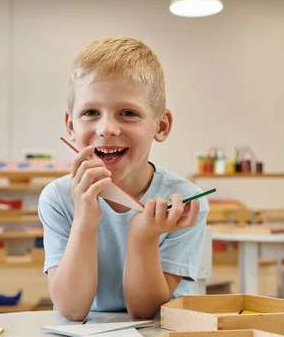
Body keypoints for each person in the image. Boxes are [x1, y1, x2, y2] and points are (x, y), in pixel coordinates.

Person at [37, 36, 210, 321]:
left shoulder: (184, 200)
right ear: (71, 125)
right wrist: (85, 219)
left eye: (128, 113)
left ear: (161, 125)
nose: (106, 129)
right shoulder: (57, 198)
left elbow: (146, 311)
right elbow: (70, 309)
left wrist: (144, 237)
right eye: (90, 113)